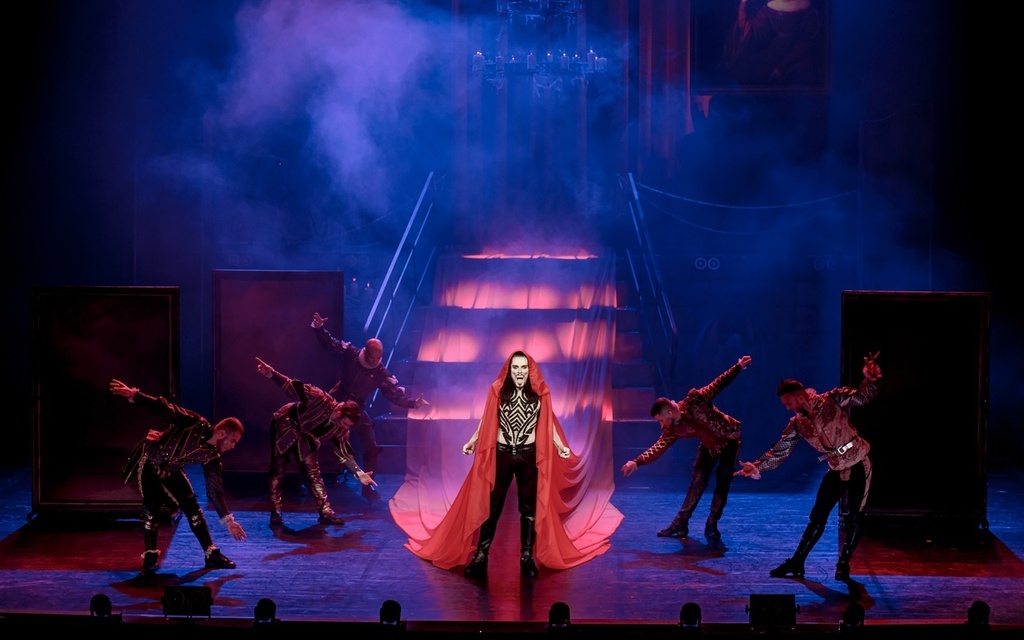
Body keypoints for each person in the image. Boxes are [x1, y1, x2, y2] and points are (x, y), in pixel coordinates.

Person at [396, 350, 622, 579]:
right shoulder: (498, 390)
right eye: (516, 368)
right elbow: (487, 418)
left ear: (529, 370)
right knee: (492, 506)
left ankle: (526, 557)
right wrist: (473, 440)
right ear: (509, 370)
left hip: (528, 456)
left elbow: (548, 422)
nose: (520, 372)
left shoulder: (540, 393)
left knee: (529, 508)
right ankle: (481, 556)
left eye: (523, 368)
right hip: (502, 454)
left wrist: (560, 445)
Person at [734, 352, 882, 581]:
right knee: (818, 516)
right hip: (836, 468)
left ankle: (843, 563)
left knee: (855, 516)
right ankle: (798, 561)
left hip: (859, 461)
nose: (787, 408)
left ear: (800, 395)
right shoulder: (798, 424)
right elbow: (780, 450)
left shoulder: (831, 399)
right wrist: (757, 467)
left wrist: (870, 380)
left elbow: (860, 398)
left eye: (789, 403)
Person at [111, 378, 247, 575]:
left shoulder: (212, 457)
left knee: (192, 507)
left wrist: (228, 521)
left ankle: (211, 553)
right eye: (232, 441)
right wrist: (135, 395)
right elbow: (165, 408)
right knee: (151, 509)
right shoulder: (194, 423)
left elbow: (214, 490)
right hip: (150, 461)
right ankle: (150, 554)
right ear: (222, 433)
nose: (232, 447)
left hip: (171, 470)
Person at [621, 355, 752, 541]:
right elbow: (658, 448)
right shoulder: (672, 429)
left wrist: (737, 367)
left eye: (660, 420)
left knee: (723, 483)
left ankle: (712, 524)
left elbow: (718, 384)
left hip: (729, 440)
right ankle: (681, 523)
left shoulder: (695, 400)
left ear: (669, 413)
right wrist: (637, 462)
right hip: (709, 445)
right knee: (697, 481)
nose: (661, 425)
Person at [311, 311, 429, 501]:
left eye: (378, 358)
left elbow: (394, 394)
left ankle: (367, 487)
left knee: (371, 445)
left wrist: (413, 403)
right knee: (315, 434)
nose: (374, 361)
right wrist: (319, 328)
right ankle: (304, 475)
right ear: (365, 351)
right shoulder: (351, 353)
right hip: (337, 400)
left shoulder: (381, 373)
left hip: (356, 408)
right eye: (372, 357)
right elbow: (331, 345)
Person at [255, 357, 378, 527]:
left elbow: (344, 454)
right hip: (286, 424)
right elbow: (292, 387)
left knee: (313, 472)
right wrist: (271, 374)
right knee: (278, 467)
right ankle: (276, 510)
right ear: (339, 411)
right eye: (344, 422)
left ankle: (325, 510)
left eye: (348, 425)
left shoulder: (341, 430)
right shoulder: (319, 398)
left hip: (307, 437)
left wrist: (359, 473)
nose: (345, 427)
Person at [719, 0, 822, 86]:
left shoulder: (806, 10)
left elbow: (807, 41)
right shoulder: (771, 7)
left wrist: (782, 67)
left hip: (796, 55)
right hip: (774, 51)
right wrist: (743, 5)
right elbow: (752, 31)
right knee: (755, 75)